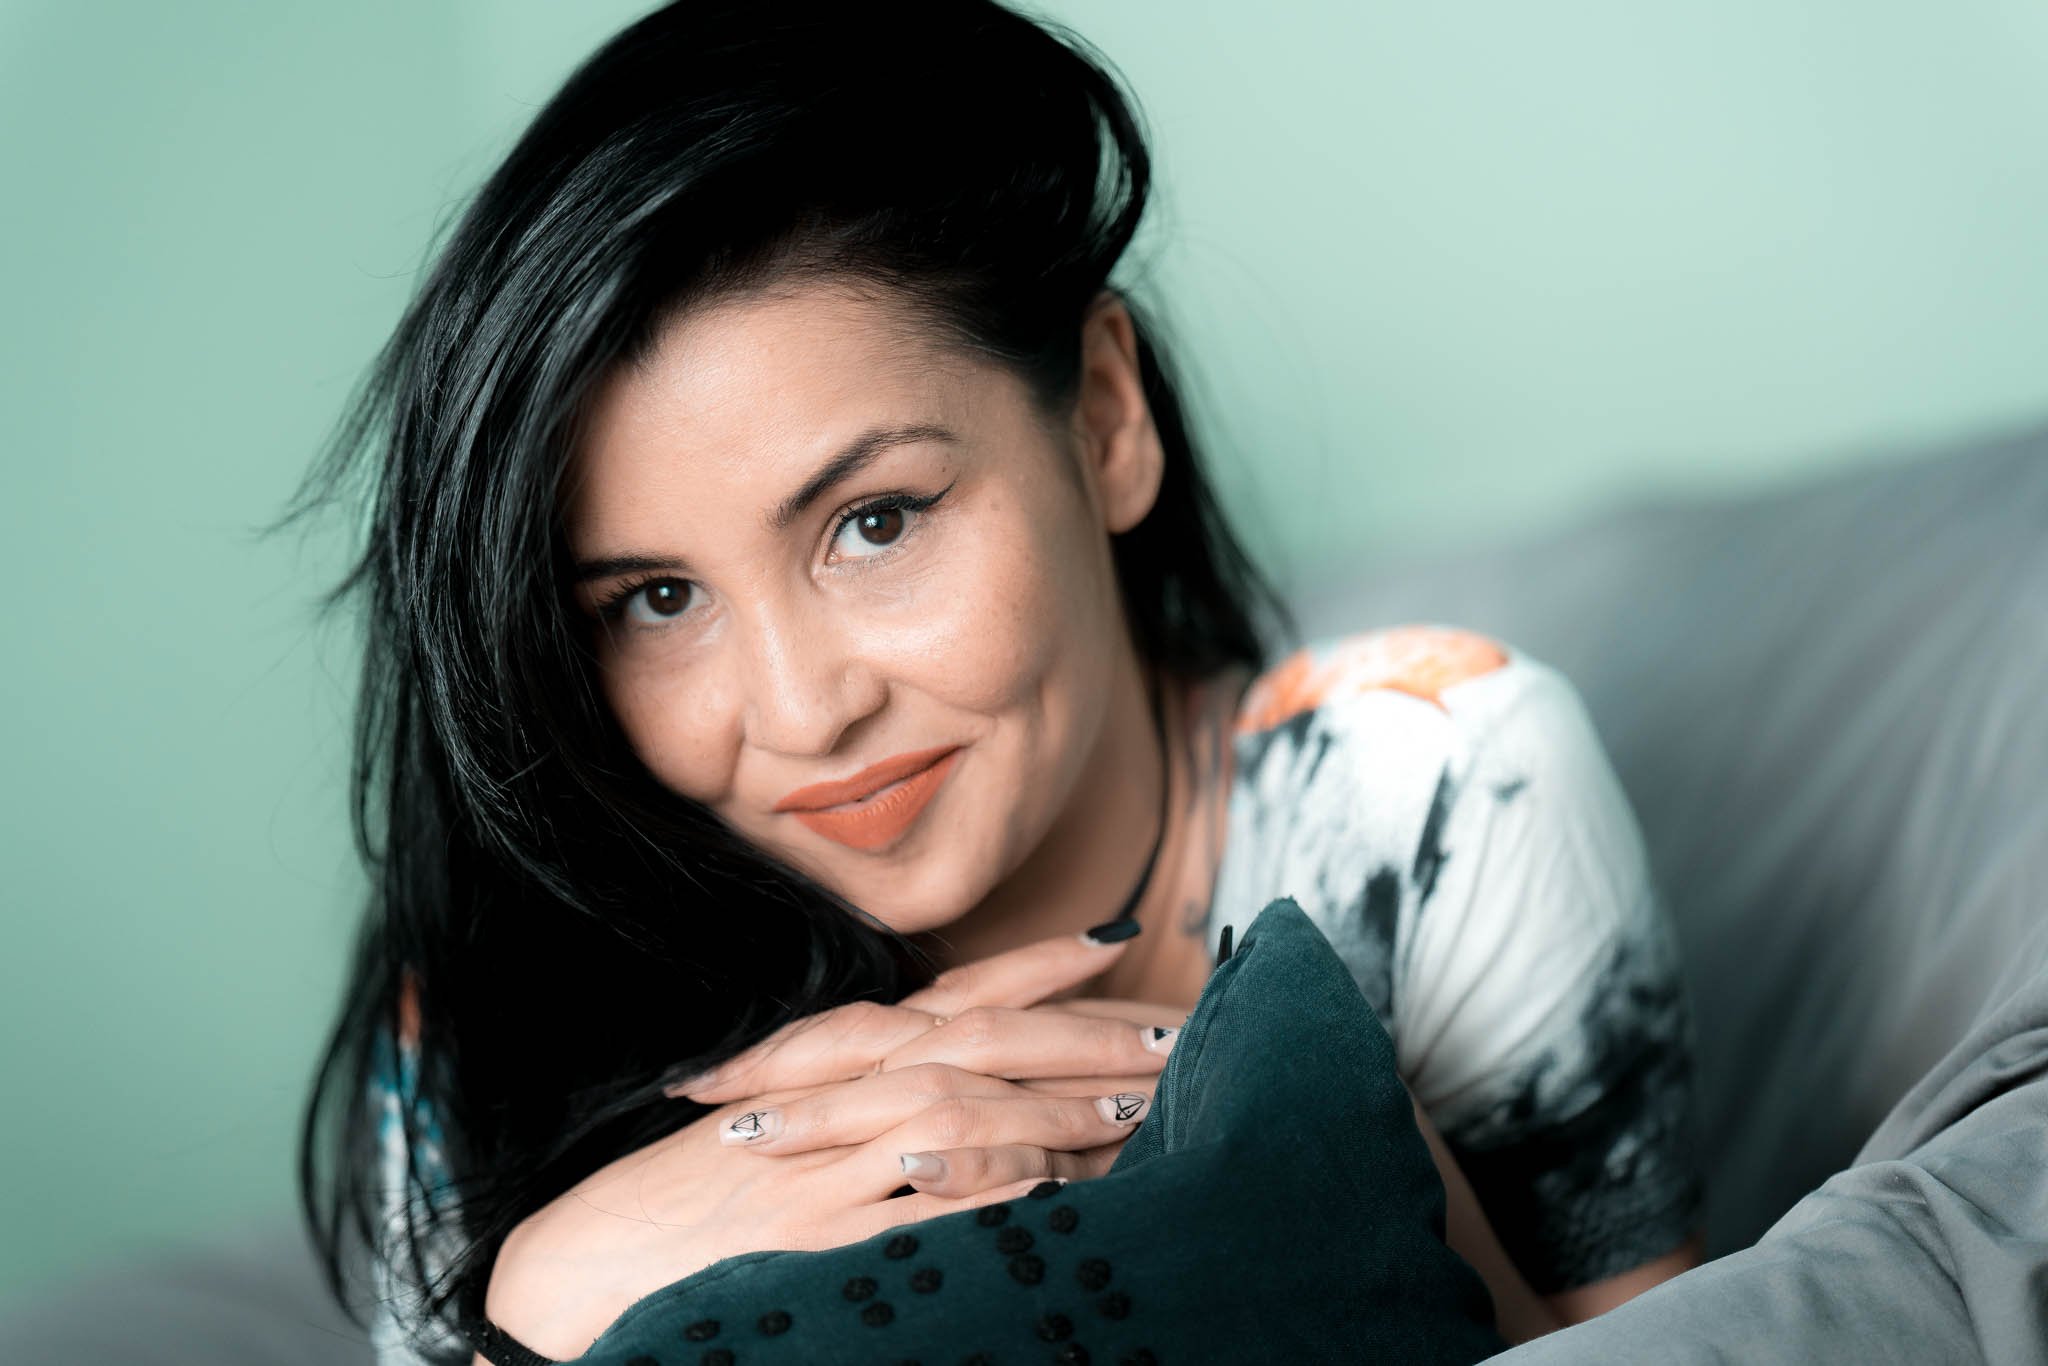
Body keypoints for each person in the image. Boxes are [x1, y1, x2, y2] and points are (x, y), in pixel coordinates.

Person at [287, 2, 1703, 1362]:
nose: (802, 711)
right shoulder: (492, 1009)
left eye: (875, 522)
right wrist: (544, 1304)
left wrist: (1341, 1160)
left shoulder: (1435, 791)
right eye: (657, 601)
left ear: (1107, 418)